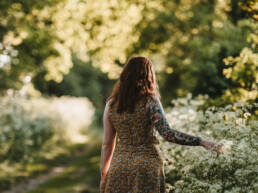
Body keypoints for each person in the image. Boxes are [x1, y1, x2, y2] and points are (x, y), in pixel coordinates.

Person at [100, 56, 218, 193]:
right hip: (147, 167)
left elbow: (107, 144)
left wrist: (104, 175)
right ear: (149, 76)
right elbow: (168, 134)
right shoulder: (150, 102)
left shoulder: (111, 104)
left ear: (125, 76)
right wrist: (201, 141)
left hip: (119, 168)